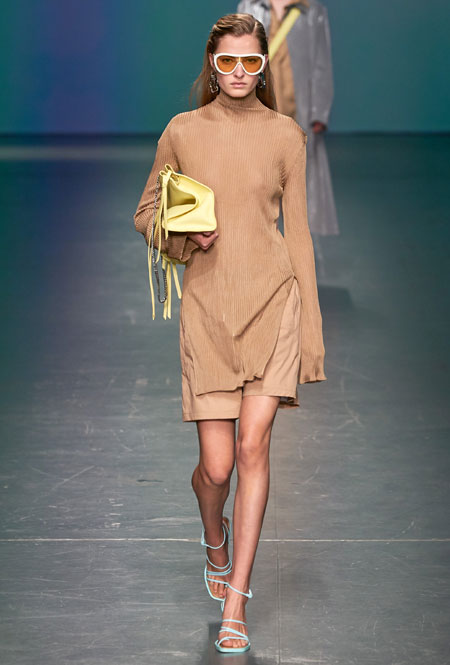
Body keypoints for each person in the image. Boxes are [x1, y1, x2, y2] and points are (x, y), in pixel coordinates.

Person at [133, 13, 326, 654]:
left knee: (252, 449)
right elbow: (145, 213)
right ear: (211, 67)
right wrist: (186, 234)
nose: (239, 72)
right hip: (210, 308)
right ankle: (212, 535)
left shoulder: (285, 135)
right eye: (227, 62)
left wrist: (311, 332)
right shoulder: (183, 131)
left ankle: (237, 599)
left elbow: (299, 234)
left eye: (251, 62)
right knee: (215, 468)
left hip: (274, 302)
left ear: (263, 67)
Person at [237, 0, 339, 237]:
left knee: (299, 174)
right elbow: (238, 55)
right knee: (256, 170)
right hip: (261, 104)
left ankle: (298, 235)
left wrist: (319, 110)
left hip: (297, 106)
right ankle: (255, 229)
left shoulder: (312, 11)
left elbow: (321, 63)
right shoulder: (250, 7)